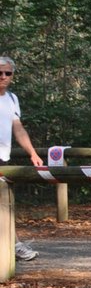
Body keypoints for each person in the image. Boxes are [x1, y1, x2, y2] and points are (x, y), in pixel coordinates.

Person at [0, 54, 45, 262]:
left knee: (4, 204)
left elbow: (18, 129)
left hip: (3, 159)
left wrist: (33, 153)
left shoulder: (12, 99)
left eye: (7, 73)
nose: (3, 76)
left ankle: (13, 245)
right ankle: (15, 245)